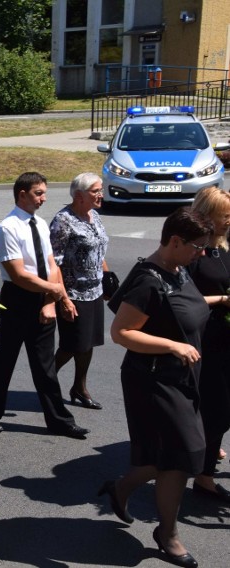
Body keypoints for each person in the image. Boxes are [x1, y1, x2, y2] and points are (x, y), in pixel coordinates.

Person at [101, 207, 211, 568]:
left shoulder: (178, 269)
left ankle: (121, 489)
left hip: (180, 377)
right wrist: (173, 346)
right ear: (175, 241)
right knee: (184, 453)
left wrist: (221, 300)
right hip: (153, 380)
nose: (201, 253)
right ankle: (168, 534)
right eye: (197, 247)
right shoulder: (150, 279)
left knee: (167, 456)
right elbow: (122, 333)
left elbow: (184, 307)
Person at [0, 172, 90, 439]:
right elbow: (18, 274)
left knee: (45, 365)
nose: (43, 198)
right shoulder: (8, 228)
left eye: (44, 193)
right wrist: (56, 291)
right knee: (5, 360)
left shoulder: (39, 224)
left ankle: (60, 421)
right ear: (22, 194)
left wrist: (51, 301)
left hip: (42, 296)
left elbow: (50, 264)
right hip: (18, 298)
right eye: (38, 193)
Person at [49, 173, 110, 410]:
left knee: (89, 343)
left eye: (100, 189)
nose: (100, 195)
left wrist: (108, 280)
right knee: (73, 344)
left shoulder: (94, 215)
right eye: (96, 191)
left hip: (94, 290)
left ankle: (79, 387)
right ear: (79, 195)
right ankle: (47, 377)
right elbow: (54, 263)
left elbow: (99, 251)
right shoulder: (62, 221)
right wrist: (63, 299)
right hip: (73, 293)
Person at [187, 186, 230, 503]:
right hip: (207, 339)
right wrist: (223, 300)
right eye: (225, 216)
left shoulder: (225, 246)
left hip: (225, 338)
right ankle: (203, 477)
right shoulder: (194, 253)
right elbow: (181, 300)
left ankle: (208, 445)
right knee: (217, 405)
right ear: (209, 216)